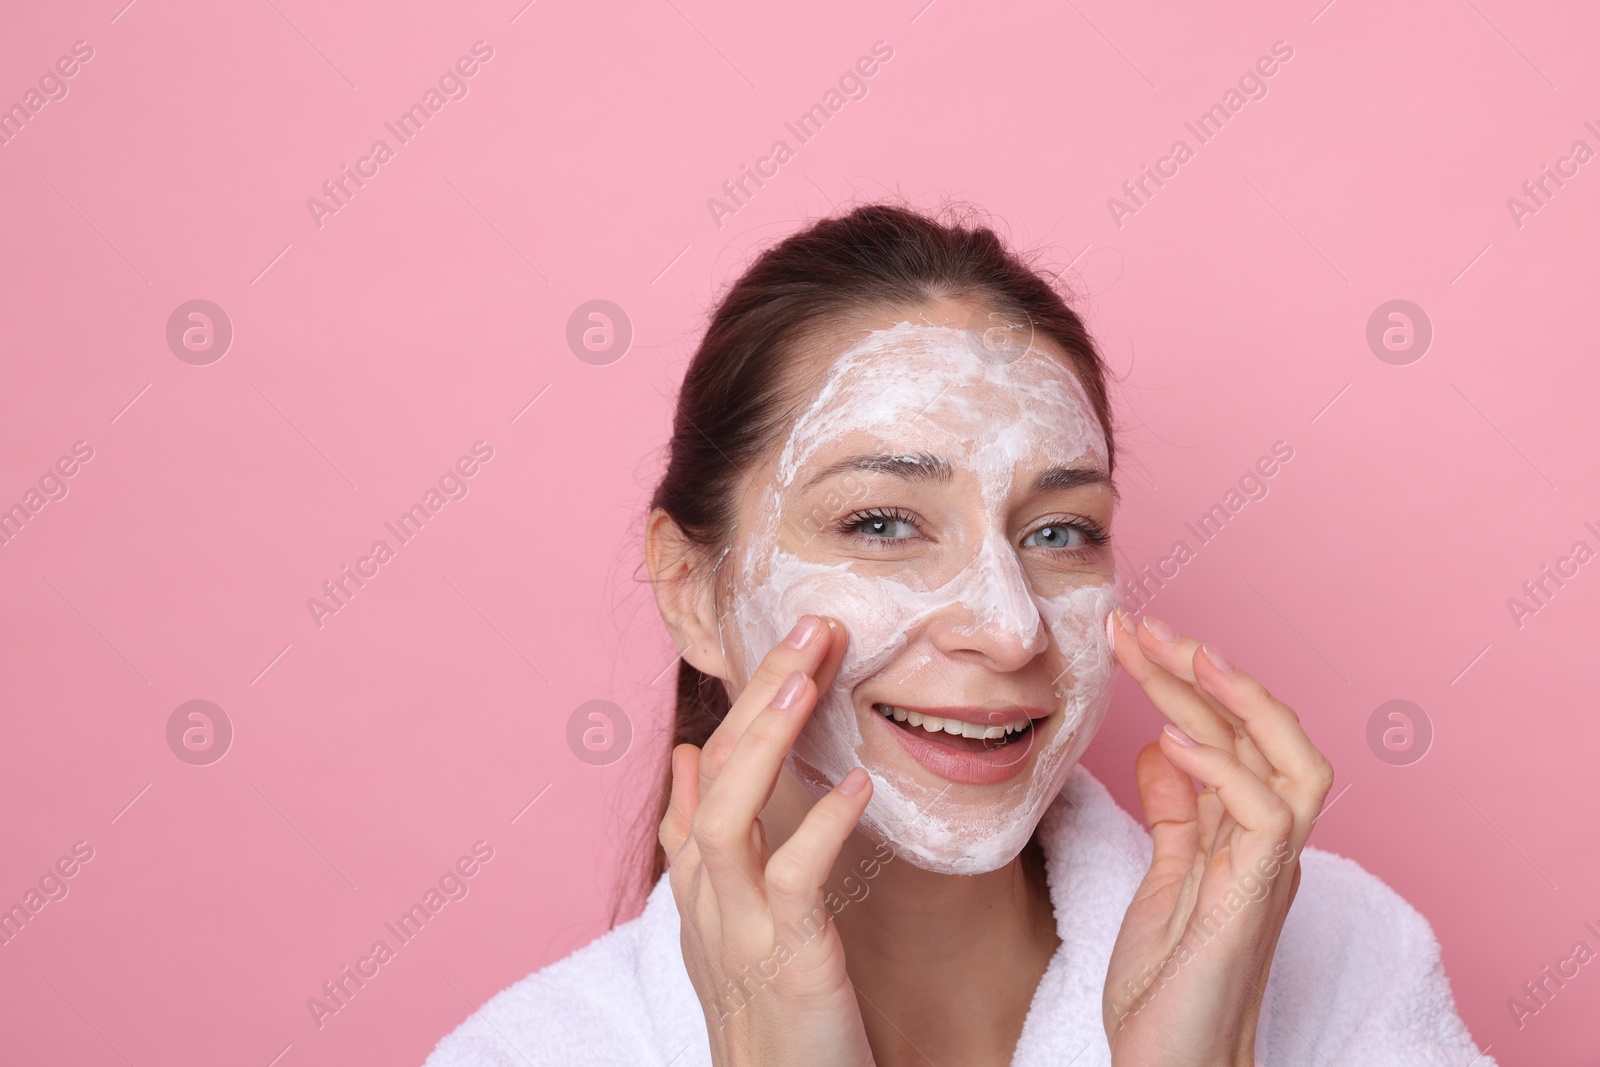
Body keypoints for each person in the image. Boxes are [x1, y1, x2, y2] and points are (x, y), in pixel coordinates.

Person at [425, 203, 1493, 1066]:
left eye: (1061, 529)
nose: (1010, 623)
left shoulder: (1345, 960)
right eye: (882, 521)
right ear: (693, 589)